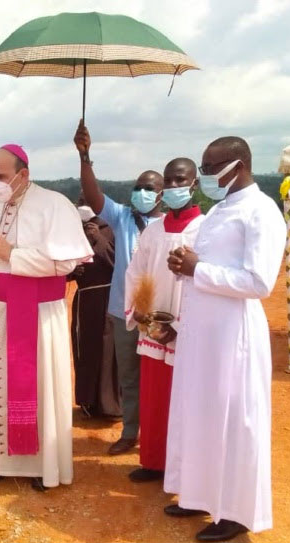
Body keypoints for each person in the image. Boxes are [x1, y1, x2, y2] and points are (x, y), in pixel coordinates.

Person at [165, 137, 285, 541]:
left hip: (235, 335)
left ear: (239, 164)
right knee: (201, 412)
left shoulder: (261, 212)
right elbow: (207, 267)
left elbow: (259, 281)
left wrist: (199, 268)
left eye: (213, 166)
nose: (208, 175)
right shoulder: (220, 210)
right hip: (202, 331)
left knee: (235, 421)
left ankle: (235, 512)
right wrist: (184, 266)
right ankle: (199, 494)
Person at [0, 144, 93, 491]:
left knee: (38, 387)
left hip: (36, 313)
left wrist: (12, 254)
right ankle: (0, 460)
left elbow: (66, 263)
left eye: (1, 176)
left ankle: (43, 465)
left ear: (23, 174)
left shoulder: (54, 205)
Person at [74, 120, 164, 455]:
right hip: (123, 312)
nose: (141, 192)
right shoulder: (124, 217)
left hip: (161, 316)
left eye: (149, 187)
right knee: (128, 375)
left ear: (161, 194)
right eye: (138, 186)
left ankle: (159, 435)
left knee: (158, 378)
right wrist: (85, 156)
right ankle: (130, 432)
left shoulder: (170, 226)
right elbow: (95, 196)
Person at [124, 158, 205, 484]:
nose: (173, 187)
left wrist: (181, 326)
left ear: (194, 184)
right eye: (168, 182)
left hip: (188, 330)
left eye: (179, 181)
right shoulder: (153, 231)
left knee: (186, 402)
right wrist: (138, 310)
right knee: (155, 399)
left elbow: (207, 280)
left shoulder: (206, 229)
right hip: (155, 329)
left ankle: (186, 471)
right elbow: (136, 272)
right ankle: (155, 462)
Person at [70, 197, 121, 418]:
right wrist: (72, 271)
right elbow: (60, 265)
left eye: (86, 200)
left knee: (111, 350)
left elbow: (119, 263)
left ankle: (111, 404)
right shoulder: (71, 231)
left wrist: (98, 239)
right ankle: (88, 402)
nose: (83, 204)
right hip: (86, 299)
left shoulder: (111, 228)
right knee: (86, 349)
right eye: (80, 201)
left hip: (111, 295)